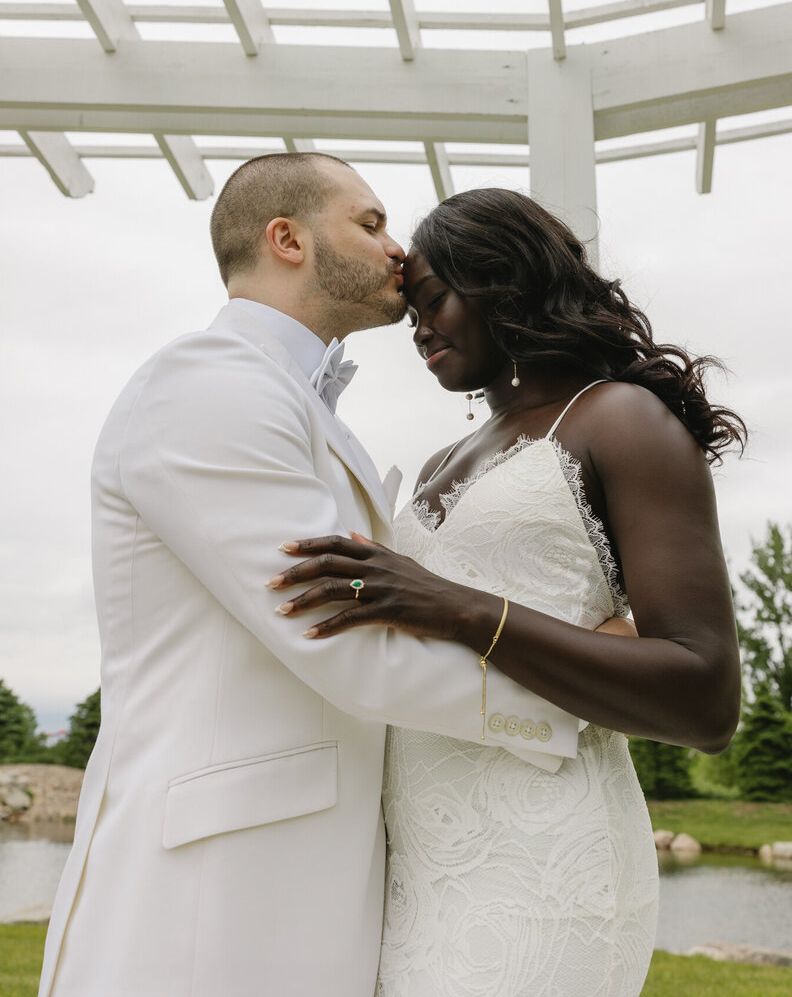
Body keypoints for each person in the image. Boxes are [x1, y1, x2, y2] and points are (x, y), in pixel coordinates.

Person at [39, 159, 611, 997]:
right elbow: (342, 639)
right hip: (213, 891)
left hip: (311, 874)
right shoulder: (209, 384)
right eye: (371, 223)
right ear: (287, 239)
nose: (400, 250)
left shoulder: (286, 398)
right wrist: (590, 679)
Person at [270, 187, 744, 997]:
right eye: (410, 310)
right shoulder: (435, 465)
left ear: (504, 279)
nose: (419, 328)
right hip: (419, 867)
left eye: (435, 301)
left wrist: (452, 606)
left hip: (549, 869)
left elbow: (706, 698)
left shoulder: (620, 421)